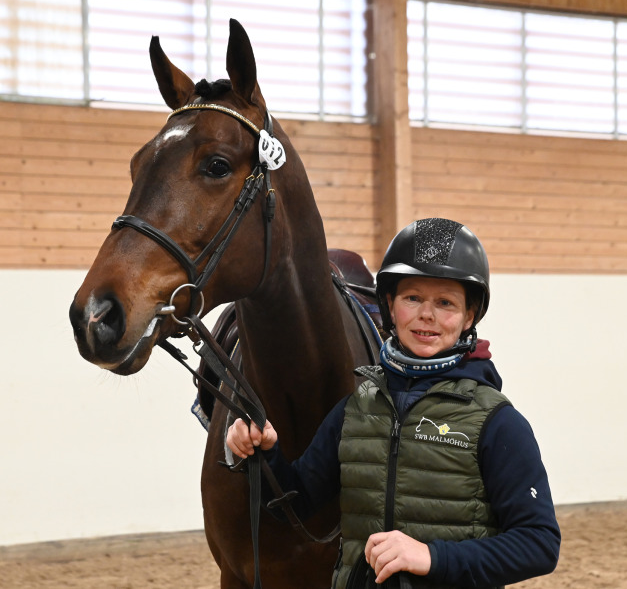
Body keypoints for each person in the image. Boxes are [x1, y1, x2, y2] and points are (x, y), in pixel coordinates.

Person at [227, 218, 561, 588]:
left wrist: (432, 557)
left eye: (445, 303)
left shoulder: (498, 422)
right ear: (390, 304)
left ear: (469, 316)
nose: (427, 315)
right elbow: (298, 504)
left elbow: (539, 544)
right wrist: (264, 455)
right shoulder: (354, 410)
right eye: (412, 298)